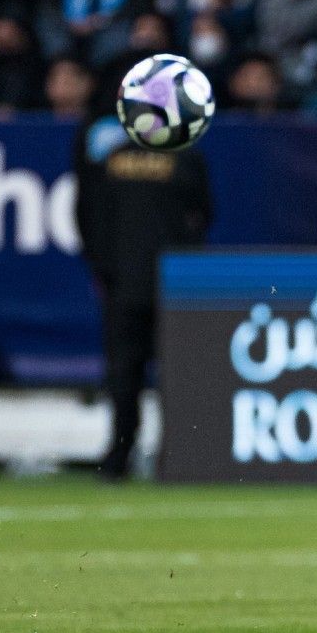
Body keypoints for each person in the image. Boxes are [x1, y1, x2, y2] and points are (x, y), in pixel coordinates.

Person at [75, 54, 213, 480]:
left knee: (147, 373)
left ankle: (146, 455)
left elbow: (87, 218)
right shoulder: (174, 159)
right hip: (144, 283)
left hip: (146, 284)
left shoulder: (137, 158)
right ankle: (148, 455)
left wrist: (106, 266)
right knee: (144, 375)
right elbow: (202, 217)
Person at [43, 53, 94, 117]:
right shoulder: (37, 121)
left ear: (87, 83)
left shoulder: (104, 124)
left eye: (68, 80)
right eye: (55, 78)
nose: (61, 86)